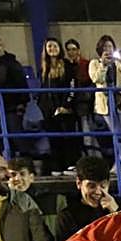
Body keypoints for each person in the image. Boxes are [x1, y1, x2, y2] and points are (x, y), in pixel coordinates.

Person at [37, 37, 80, 175]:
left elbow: (73, 87)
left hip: (65, 109)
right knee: (54, 138)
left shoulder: (67, 65)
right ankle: (57, 166)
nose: (52, 49)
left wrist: (66, 105)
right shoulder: (44, 68)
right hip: (49, 110)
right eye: (49, 46)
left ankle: (70, 165)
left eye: (55, 46)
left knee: (68, 137)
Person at [54, 155, 117, 241]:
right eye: (92, 186)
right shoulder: (67, 217)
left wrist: (116, 213)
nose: (98, 192)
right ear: (79, 183)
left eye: (103, 186)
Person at [88, 35, 121, 157]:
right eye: (105, 47)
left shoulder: (119, 62)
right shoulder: (94, 63)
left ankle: (119, 163)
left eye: (110, 46)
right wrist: (103, 65)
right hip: (105, 102)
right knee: (116, 132)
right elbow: (96, 79)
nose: (108, 49)